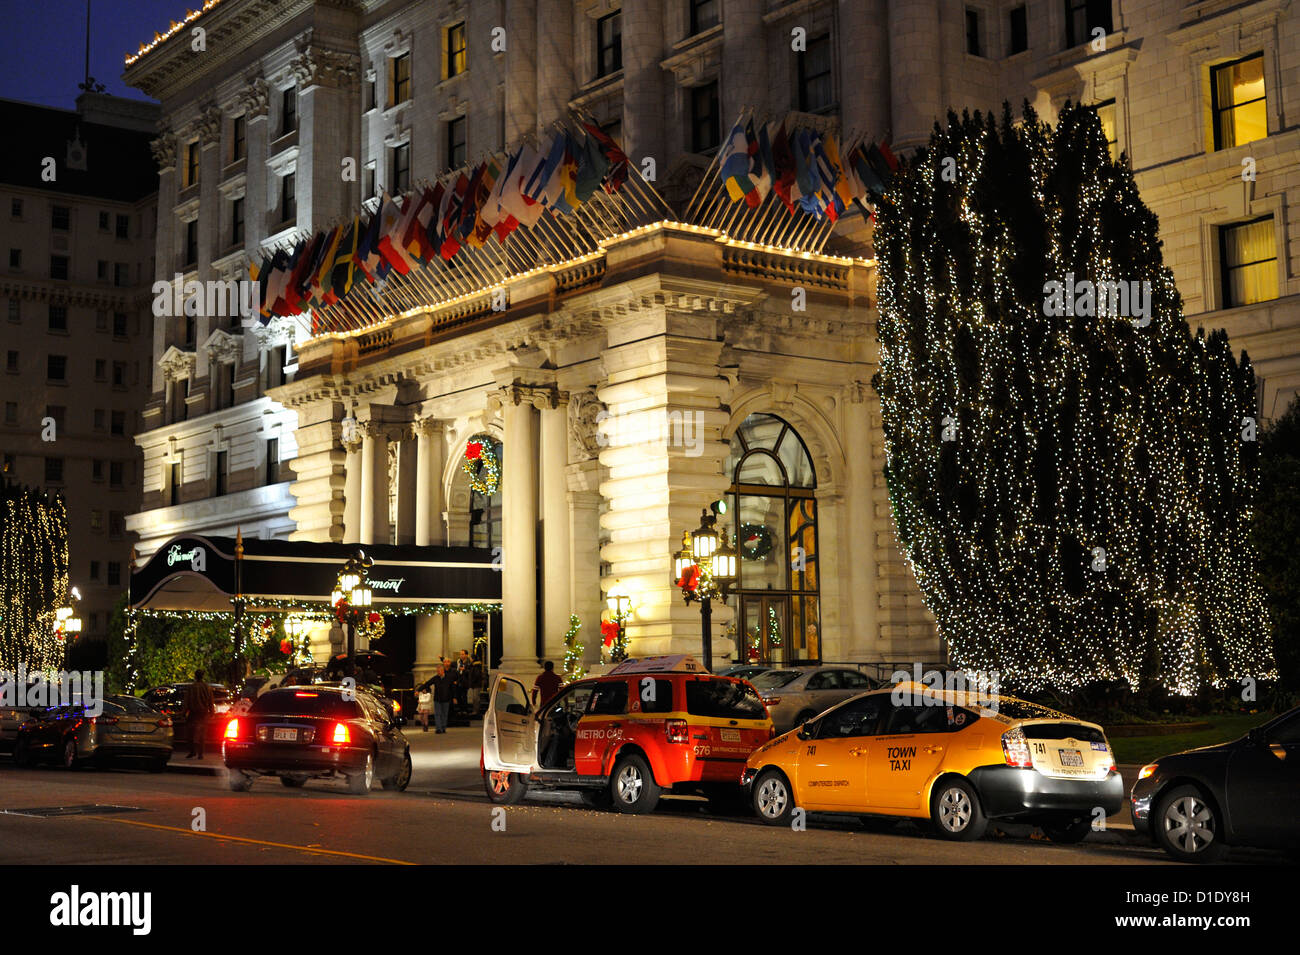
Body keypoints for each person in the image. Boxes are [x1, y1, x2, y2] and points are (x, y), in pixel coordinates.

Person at [183, 671, 215, 759]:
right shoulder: (207, 687)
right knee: (202, 734)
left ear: (195, 676)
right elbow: (210, 701)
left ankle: (192, 751)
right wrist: (212, 712)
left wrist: (183, 713)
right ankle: (200, 754)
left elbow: (186, 701)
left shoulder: (191, 687)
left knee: (190, 733)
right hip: (203, 713)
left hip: (193, 713)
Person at [431, 663, 456, 733]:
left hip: (446, 699)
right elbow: (427, 683)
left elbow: (453, 688)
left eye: (439, 671)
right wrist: (419, 690)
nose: (438, 672)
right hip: (437, 699)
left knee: (444, 714)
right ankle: (438, 728)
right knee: (437, 714)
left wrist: (454, 697)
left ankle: (443, 727)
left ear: (443, 671)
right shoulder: (435, 678)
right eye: (437, 671)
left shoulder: (448, 678)